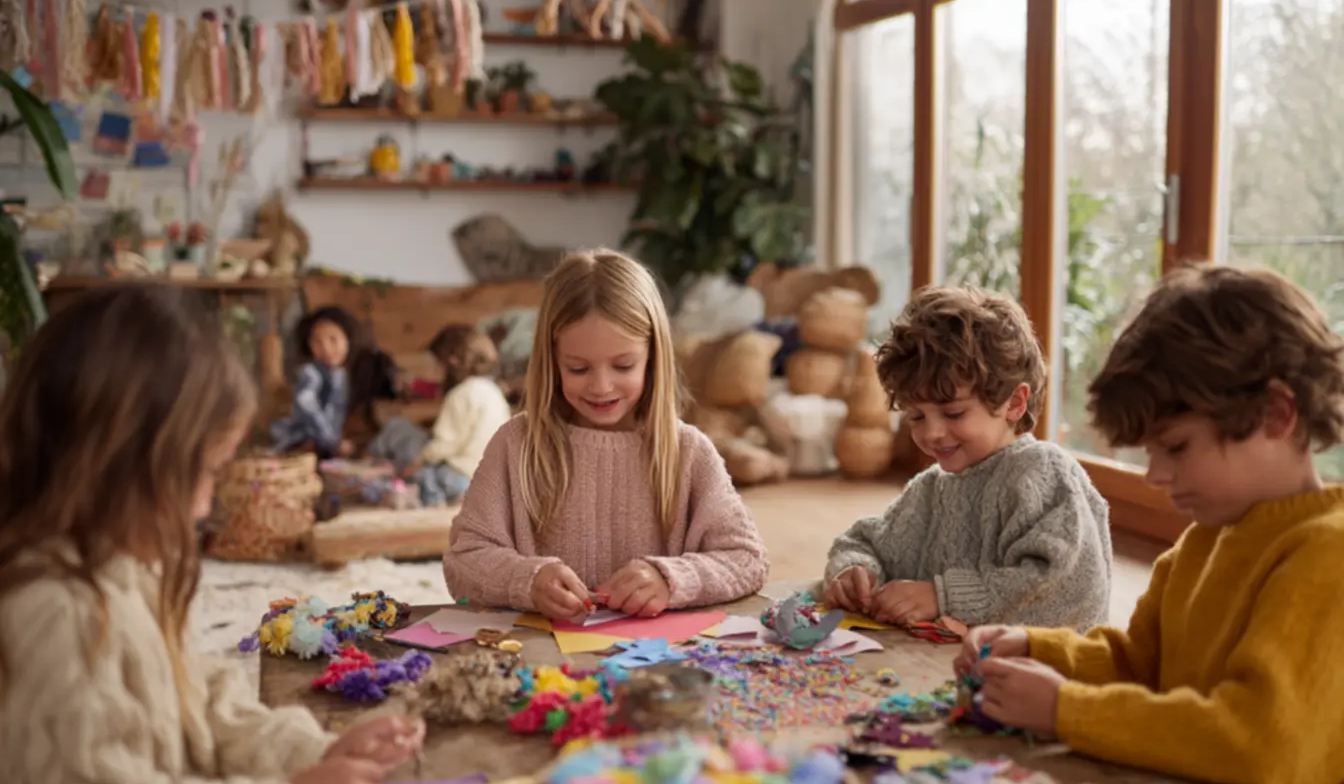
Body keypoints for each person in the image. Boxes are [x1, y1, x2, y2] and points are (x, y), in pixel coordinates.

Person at [0, 286, 425, 784]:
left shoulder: (128, 564)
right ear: (117, 464)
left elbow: (200, 703)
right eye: (201, 475)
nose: (204, 508)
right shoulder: (52, 610)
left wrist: (313, 753)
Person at [959, 264, 1344, 784]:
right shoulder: (1204, 540)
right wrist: (1037, 649)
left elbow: (1258, 748)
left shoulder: (1327, 556)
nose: (1157, 476)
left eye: (1177, 448)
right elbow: (1140, 664)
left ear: (1276, 414)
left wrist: (1066, 710)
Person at [443, 249, 769, 619]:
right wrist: (527, 581)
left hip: (661, 667)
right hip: (541, 665)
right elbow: (462, 562)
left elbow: (747, 560)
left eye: (623, 365)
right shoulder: (515, 445)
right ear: (552, 360)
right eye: (578, 368)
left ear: (653, 356)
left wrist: (671, 579)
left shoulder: (688, 451)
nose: (601, 387)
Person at [823, 286, 1111, 629]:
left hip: (1043, 674)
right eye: (916, 416)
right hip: (950, 667)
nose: (931, 433)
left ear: (1014, 403)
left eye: (954, 413)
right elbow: (865, 542)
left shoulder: (1043, 472)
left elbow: (1063, 588)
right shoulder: (930, 488)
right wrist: (855, 570)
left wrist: (942, 597)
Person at [369, 323, 512, 505]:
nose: (436, 371)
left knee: (417, 469)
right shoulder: (493, 392)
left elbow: (444, 444)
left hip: (461, 476)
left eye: (438, 365)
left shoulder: (460, 394)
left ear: (451, 363)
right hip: (493, 479)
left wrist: (418, 462)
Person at [271, 305, 360, 458]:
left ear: (348, 341)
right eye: (317, 342)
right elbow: (308, 407)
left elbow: (335, 414)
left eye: (333, 339)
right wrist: (333, 441)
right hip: (304, 441)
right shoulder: (310, 373)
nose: (326, 348)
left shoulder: (341, 374)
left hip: (328, 444)